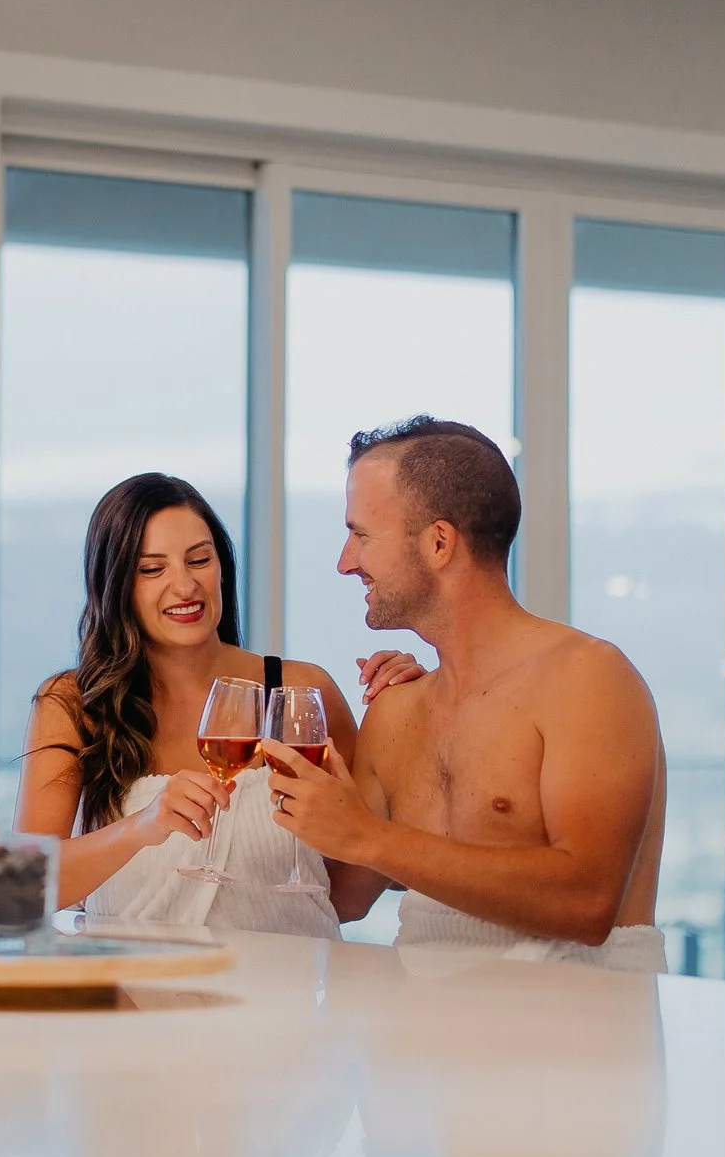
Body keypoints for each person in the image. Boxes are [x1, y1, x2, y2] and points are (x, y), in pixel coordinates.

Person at [259, 416, 669, 972]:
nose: (345, 561)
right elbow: (342, 900)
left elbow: (587, 905)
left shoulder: (588, 679)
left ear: (438, 542)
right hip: (425, 1043)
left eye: (361, 535)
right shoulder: (398, 709)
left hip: (577, 1040)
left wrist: (369, 836)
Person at [15, 472, 422, 936]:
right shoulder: (71, 704)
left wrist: (406, 716)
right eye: (152, 569)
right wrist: (140, 827)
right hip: (133, 998)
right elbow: (23, 887)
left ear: (221, 566)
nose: (185, 585)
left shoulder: (299, 691)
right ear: (115, 585)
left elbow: (347, 898)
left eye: (199, 560)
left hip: (283, 999)